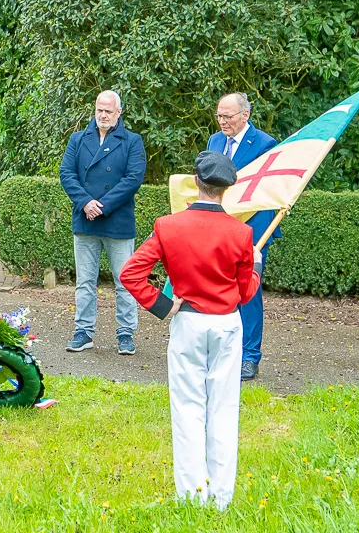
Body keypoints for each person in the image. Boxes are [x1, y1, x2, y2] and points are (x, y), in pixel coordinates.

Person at [119, 151, 262, 510]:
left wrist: (164, 305)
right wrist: (256, 267)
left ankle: (191, 495)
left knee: (187, 407)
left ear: (195, 182)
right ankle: (221, 499)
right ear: (227, 189)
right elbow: (246, 293)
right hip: (227, 323)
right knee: (224, 408)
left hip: (189, 322)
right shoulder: (242, 233)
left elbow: (130, 273)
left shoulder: (167, 226)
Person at [59, 90, 148, 355]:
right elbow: (66, 173)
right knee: (85, 281)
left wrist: (103, 205)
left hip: (117, 221)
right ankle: (83, 331)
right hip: (84, 219)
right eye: (100, 109)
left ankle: (125, 333)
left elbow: (133, 179)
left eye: (109, 110)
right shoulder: (78, 139)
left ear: (119, 113)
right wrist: (85, 202)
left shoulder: (132, 141)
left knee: (125, 281)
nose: (103, 115)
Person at [208, 91, 280, 381]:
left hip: (251, 232)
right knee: (218, 291)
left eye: (228, 116)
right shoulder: (215, 141)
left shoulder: (265, 144)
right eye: (219, 116)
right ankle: (225, 352)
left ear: (245, 115)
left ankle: (250, 357)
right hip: (219, 228)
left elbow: (270, 192)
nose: (222, 121)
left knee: (247, 294)